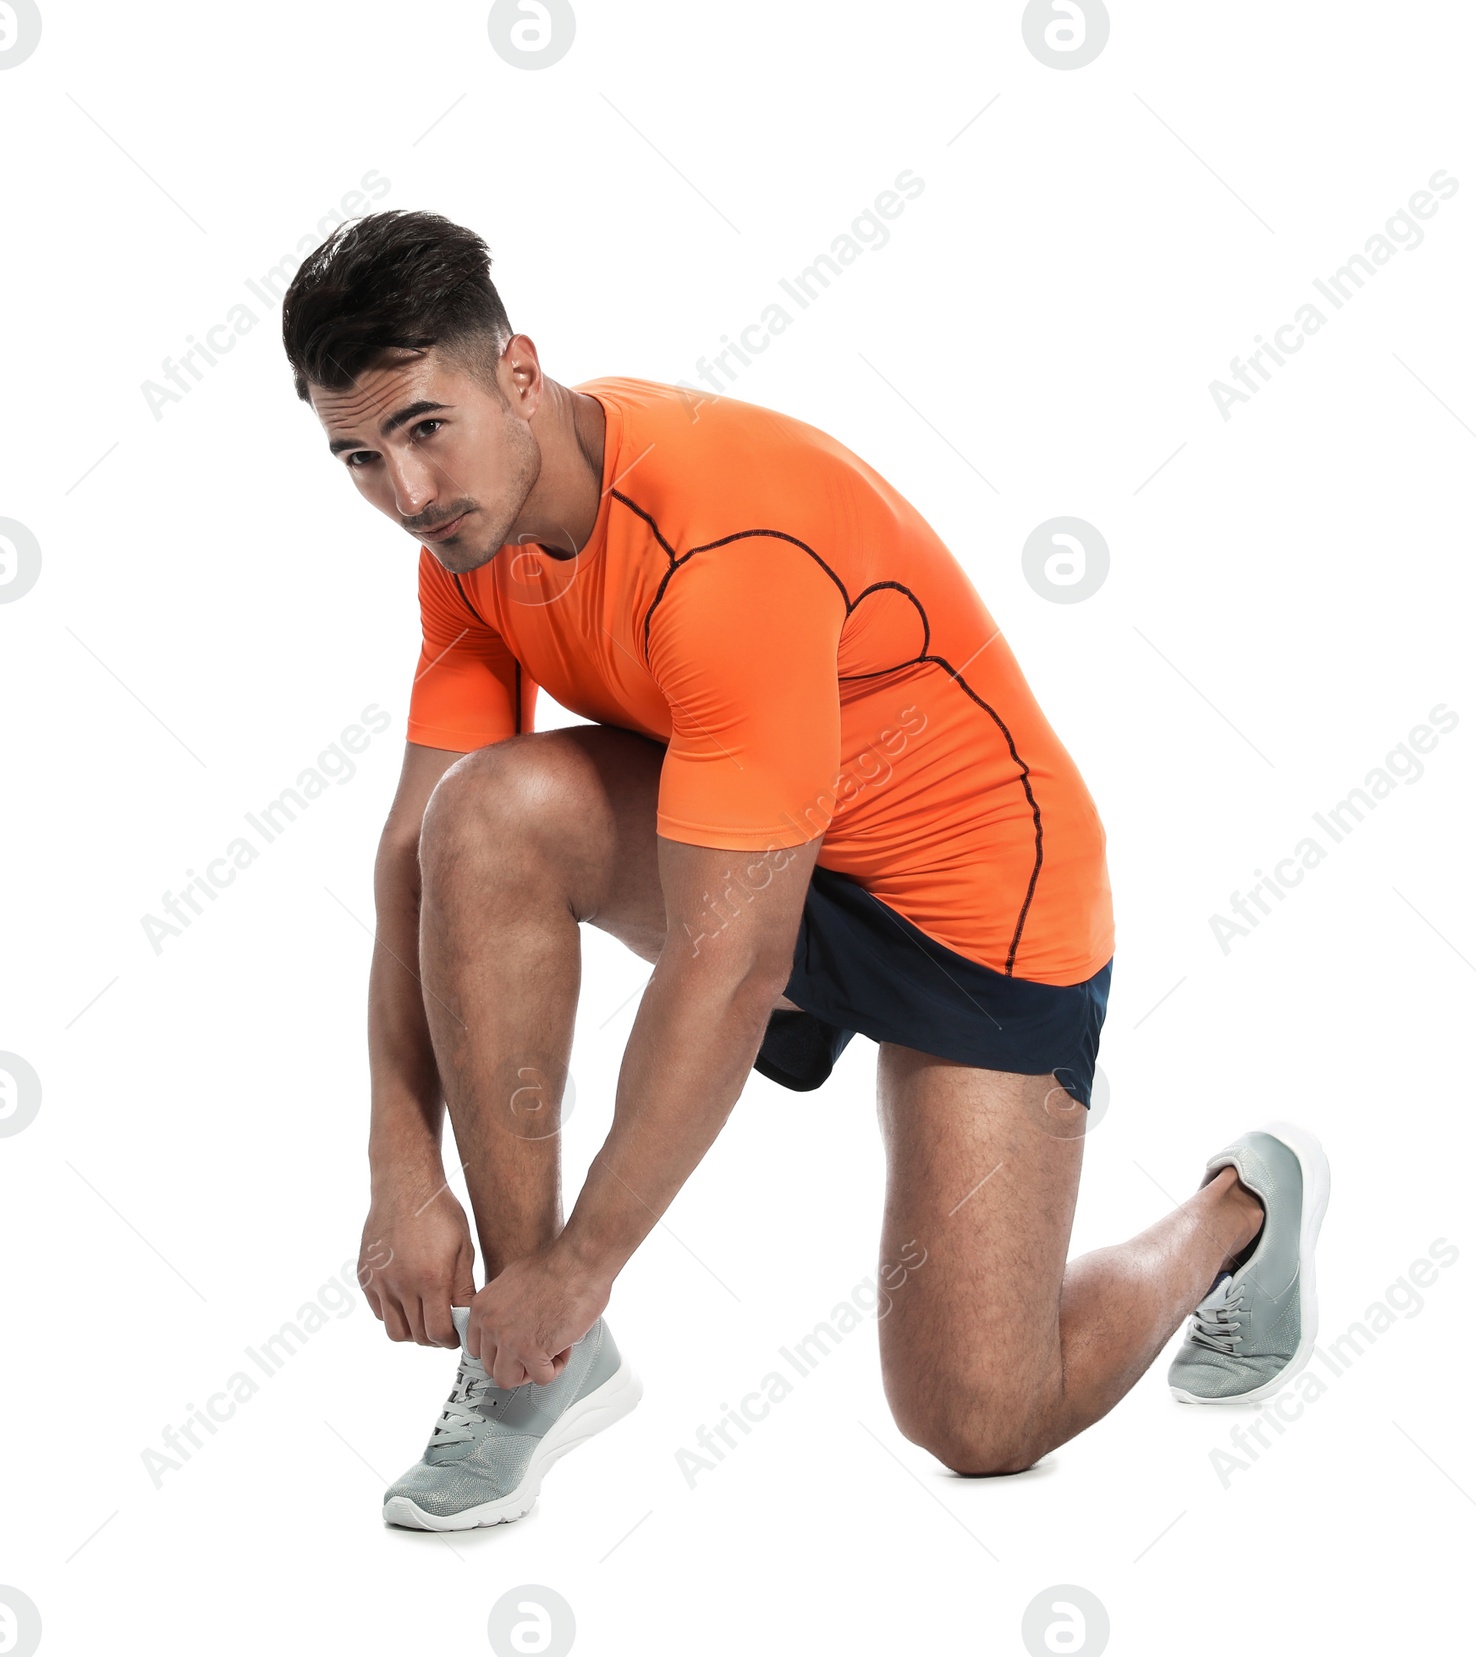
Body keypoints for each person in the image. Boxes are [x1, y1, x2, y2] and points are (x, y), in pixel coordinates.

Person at [279, 210, 1330, 1532]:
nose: (410, 494)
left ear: (520, 374)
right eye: (359, 456)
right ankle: (532, 1361)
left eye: (427, 429)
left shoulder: (724, 547)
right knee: (481, 821)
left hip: (975, 906)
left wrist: (594, 1259)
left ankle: (1237, 1212)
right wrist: (399, 1161)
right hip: (761, 846)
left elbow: (732, 957)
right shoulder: (468, 547)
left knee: (980, 1419)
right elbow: (412, 856)